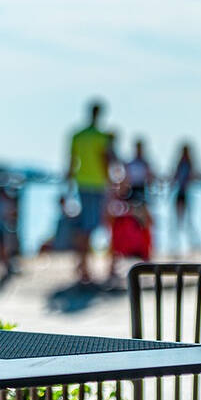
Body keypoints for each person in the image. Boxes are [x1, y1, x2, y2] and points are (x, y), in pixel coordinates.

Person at [64, 100, 115, 283]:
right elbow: (105, 161)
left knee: (85, 225)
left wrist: (69, 185)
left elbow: (71, 162)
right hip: (97, 184)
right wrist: (111, 183)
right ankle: (84, 267)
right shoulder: (101, 136)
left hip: (81, 183)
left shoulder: (77, 135)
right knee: (90, 226)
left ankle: (82, 264)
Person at [170, 143, 200, 253]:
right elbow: (175, 178)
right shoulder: (181, 164)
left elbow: (193, 177)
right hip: (180, 193)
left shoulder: (189, 164)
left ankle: (193, 244)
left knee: (189, 220)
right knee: (177, 221)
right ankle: (175, 245)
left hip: (186, 194)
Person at [123, 138, 155, 203]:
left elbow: (150, 177)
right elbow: (126, 177)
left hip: (142, 187)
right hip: (131, 188)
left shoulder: (145, 164)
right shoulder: (130, 163)